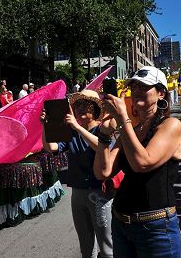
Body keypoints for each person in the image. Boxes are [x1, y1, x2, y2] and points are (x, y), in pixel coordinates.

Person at [94, 66, 181, 257]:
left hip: (156, 229)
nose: (136, 91)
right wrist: (103, 134)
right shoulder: (131, 131)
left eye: (144, 87)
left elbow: (142, 163)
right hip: (121, 225)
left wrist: (123, 118)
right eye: (134, 87)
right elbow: (103, 171)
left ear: (161, 93)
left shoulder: (171, 125)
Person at [41, 89, 113, 258]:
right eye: (78, 105)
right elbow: (51, 148)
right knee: (86, 245)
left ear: (95, 109)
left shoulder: (104, 129)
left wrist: (77, 128)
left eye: (86, 105)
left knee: (106, 245)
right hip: (78, 192)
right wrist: (45, 126)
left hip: (99, 193)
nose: (80, 108)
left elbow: (102, 146)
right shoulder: (72, 132)